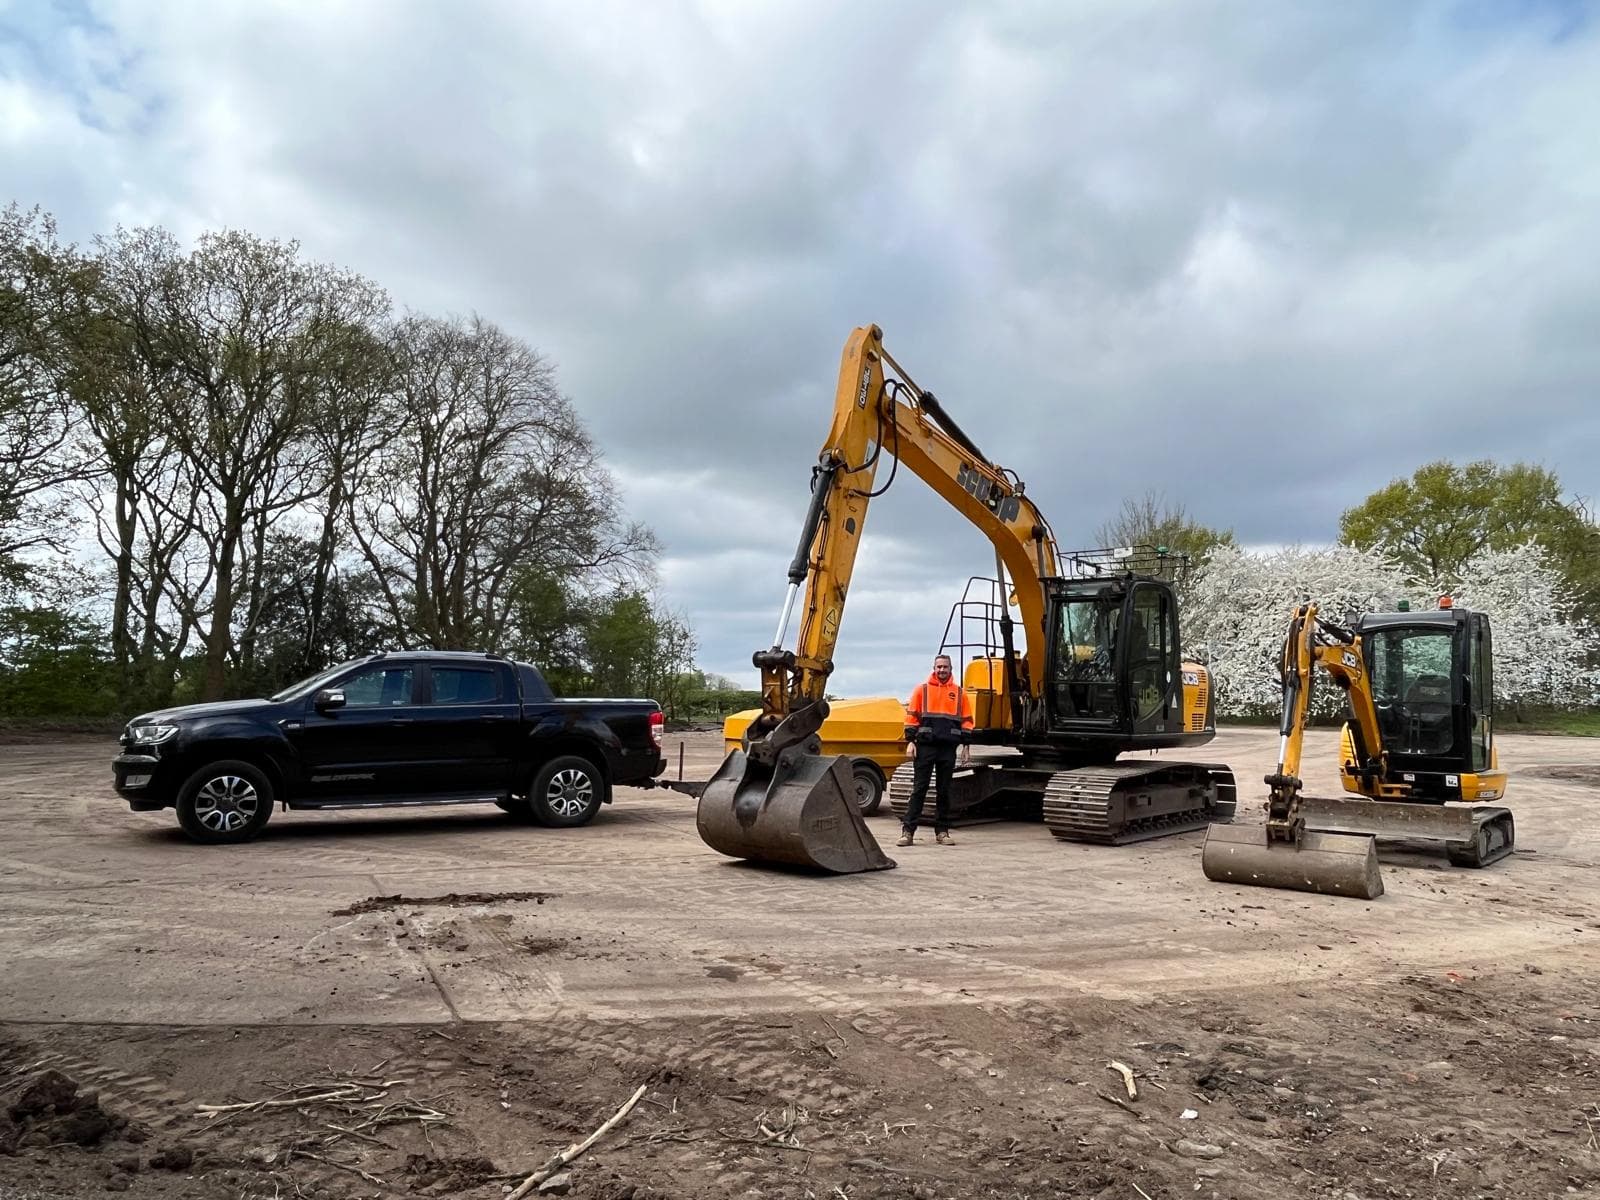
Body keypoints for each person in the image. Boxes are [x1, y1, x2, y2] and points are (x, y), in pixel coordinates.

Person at [898, 653, 973, 847]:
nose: (941, 670)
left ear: (950, 669)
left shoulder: (959, 693)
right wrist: (910, 741)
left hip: (948, 748)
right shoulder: (921, 690)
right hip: (925, 747)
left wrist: (966, 746)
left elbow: (967, 721)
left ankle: (942, 832)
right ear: (934, 668)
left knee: (944, 791)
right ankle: (908, 832)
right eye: (938, 667)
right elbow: (912, 717)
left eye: (945, 667)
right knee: (919, 789)